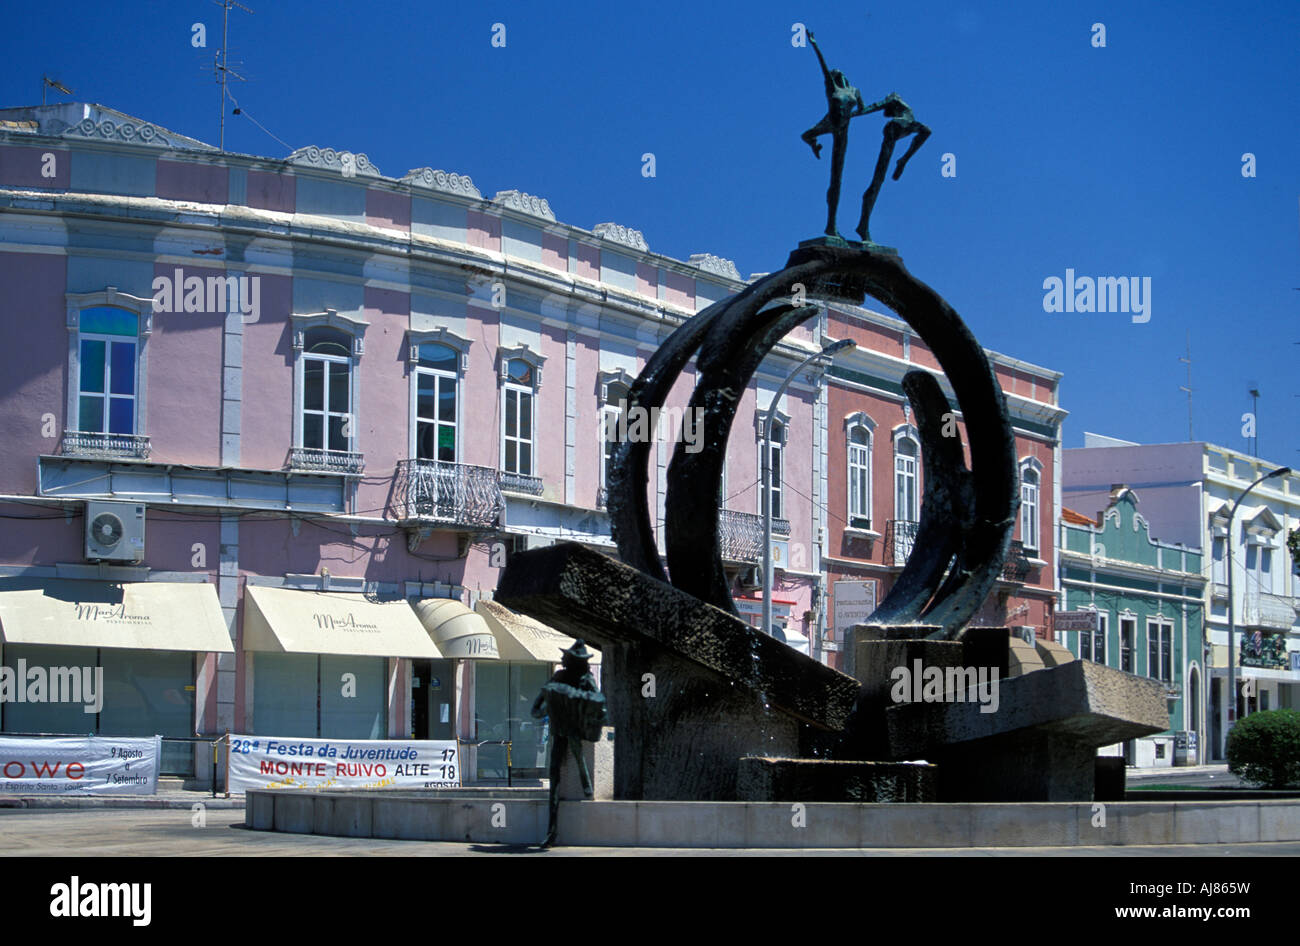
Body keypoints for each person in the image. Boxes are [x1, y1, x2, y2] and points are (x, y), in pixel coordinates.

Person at [531, 639, 605, 846]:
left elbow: (599, 703)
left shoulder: (586, 679)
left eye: (565, 657)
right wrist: (551, 707)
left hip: (575, 730)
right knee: (554, 777)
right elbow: (536, 708)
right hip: (559, 731)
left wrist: (582, 709)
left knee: (576, 754)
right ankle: (551, 831)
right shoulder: (558, 678)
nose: (562, 659)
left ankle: (586, 782)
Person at [800, 31, 869, 239]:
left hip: (842, 130)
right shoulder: (832, 88)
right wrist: (814, 44)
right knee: (806, 135)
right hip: (829, 123)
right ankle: (814, 143)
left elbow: (862, 109)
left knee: (836, 178)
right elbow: (822, 66)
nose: (836, 74)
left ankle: (832, 226)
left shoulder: (855, 91)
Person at [853, 92, 930, 243]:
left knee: (926, 131)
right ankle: (863, 225)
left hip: (906, 126)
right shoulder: (893, 100)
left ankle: (903, 160)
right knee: (878, 179)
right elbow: (874, 107)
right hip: (896, 127)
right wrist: (855, 114)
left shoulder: (903, 107)